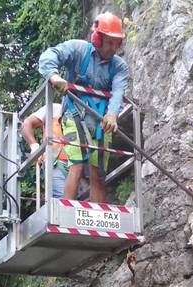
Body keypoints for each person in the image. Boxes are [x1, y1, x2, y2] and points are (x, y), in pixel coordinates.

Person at [38, 11, 129, 203]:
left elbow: (118, 91)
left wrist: (113, 115)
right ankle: (66, 211)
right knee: (77, 164)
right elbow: (50, 55)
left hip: (101, 120)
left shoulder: (119, 66)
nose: (113, 48)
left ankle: (98, 217)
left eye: (116, 43)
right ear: (98, 37)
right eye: (109, 42)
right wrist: (55, 77)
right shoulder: (78, 50)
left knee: (98, 173)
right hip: (74, 114)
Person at [21, 103, 69, 198]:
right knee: (62, 201)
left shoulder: (83, 112)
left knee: (75, 204)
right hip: (56, 163)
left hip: (78, 166)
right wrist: (34, 146)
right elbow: (26, 124)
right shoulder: (54, 108)